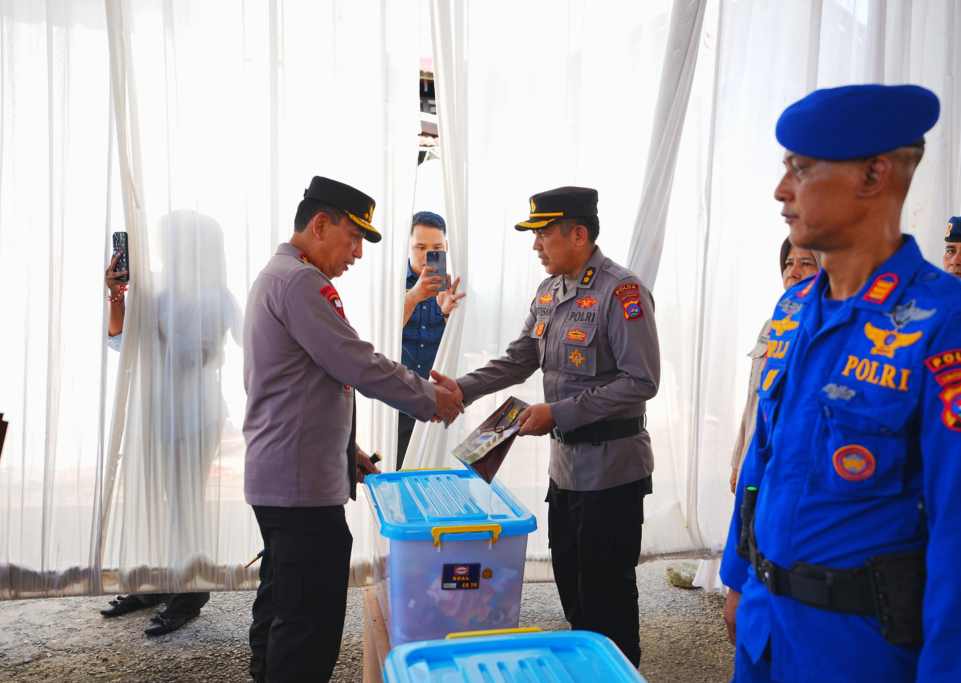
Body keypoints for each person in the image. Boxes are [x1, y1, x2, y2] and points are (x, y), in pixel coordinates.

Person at [720, 84, 961, 683]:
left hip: (860, 650)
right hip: (765, 628)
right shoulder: (795, 307)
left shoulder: (955, 324)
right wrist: (738, 578)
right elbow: (763, 459)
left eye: (801, 169)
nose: (781, 190)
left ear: (874, 176)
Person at [242, 176, 463, 683]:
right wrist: (431, 398)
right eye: (355, 237)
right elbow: (355, 362)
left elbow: (301, 386)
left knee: (281, 601)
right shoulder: (300, 282)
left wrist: (346, 449)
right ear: (321, 225)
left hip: (287, 476)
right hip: (300, 490)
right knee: (306, 624)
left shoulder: (280, 276)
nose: (359, 254)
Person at [432, 187, 660, 667]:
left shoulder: (621, 292)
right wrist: (461, 388)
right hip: (566, 473)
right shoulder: (549, 291)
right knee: (574, 594)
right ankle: (588, 673)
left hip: (612, 473)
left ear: (579, 235)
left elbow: (641, 381)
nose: (536, 245)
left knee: (607, 599)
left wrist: (559, 413)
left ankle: (618, 674)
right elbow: (520, 359)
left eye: (544, 234)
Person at [100, 210, 242, 637]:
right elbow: (120, 343)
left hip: (194, 416)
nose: (162, 250)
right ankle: (155, 583)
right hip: (154, 413)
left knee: (184, 503)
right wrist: (119, 299)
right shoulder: (159, 290)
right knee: (154, 501)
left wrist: (149, 315)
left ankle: (190, 593)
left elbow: (186, 359)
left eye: (170, 241)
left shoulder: (213, 298)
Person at [729, 239, 820, 493]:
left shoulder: (828, 329)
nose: (793, 272)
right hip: (753, 462)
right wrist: (738, 460)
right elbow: (753, 401)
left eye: (806, 263)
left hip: (792, 471)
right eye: (788, 264)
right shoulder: (771, 325)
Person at [398, 211, 464, 468]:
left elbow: (460, 343)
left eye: (436, 248)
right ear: (408, 245)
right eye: (421, 247)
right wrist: (414, 295)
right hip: (398, 396)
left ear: (446, 246)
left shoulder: (455, 286)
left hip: (439, 399)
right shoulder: (392, 283)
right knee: (396, 468)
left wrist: (447, 313)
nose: (428, 255)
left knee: (436, 472)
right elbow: (383, 336)